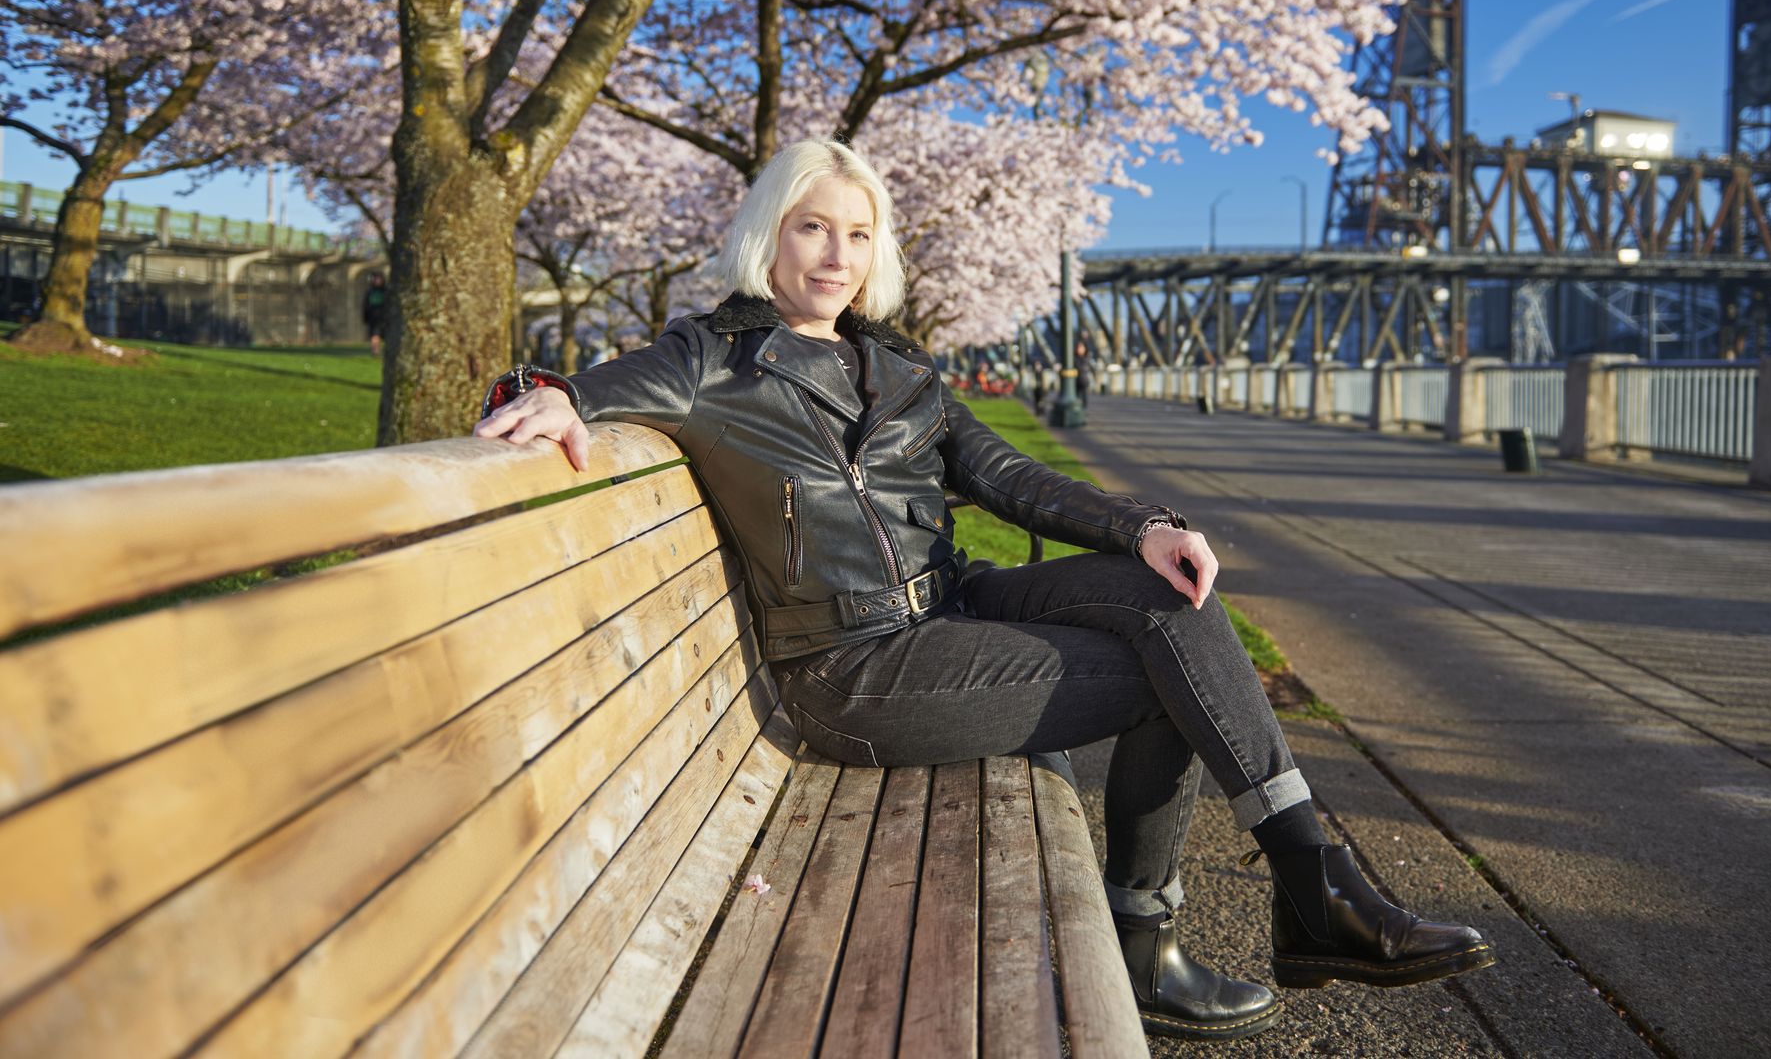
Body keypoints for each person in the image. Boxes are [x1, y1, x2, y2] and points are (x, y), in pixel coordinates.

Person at [474, 139, 1491, 1042]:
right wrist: (542, 395)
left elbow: (1013, 481)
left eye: (858, 235)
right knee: (1168, 676)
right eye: (812, 228)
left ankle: (1299, 893)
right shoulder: (713, 361)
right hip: (853, 672)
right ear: (767, 237)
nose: (836, 254)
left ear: (879, 254)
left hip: (951, 614)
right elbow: (581, 388)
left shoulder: (903, 372)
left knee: (1171, 603)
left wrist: (1145, 527)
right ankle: (1254, 911)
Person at [361, 272, 388, 357]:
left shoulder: (373, 291)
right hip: (375, 316)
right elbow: (366, 305)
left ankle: (377, 351)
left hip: (383, 316)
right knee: (375, 335)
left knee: (377, 335)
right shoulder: (372, 291)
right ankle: (375, 351)